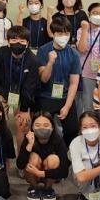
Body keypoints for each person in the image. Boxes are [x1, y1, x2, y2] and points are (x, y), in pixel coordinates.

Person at [0, 25, 40, 152]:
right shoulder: (2, 52)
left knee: (23, 125)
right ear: (8, 41)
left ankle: (21, 157)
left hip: (22, 96)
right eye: (14, 40)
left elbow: (30, 87)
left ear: (27, 43)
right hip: (1, 92)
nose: (18, 43)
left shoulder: (33, 60)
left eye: (22, 41)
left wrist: (24, 109)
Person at [36, 16, 81, 147]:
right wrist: (50, 63)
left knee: (72, 129)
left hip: (65, 97)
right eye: (60, 33)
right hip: (46, 96)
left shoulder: (74, 54)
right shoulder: (43, 50)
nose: (63, 37)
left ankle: (64, 152)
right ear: (53, 34)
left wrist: (67, 106)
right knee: (43, 130)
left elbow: (74, 83)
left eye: (66, 33)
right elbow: (44, 79)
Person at [16, 111, 70, 200]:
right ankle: (33, 187)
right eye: (37, 125)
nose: (42, 128)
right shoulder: (29, 138)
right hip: (32, 173)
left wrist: (40, 173)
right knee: (33, 157)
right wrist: (29, 145)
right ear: (32, 127)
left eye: (46, 125)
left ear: (52, 127)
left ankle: (48, 188)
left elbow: (64, 171)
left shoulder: (58, 140)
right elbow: (20, 165)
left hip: (49, 174)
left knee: (54, 159)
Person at [76, 2, 100, 111]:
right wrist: (84, 29)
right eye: (94, 13)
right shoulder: (81, 30)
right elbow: (82, 49)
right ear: (89, 14)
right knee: (88, 104)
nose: (97, 16)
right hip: (87, 73)